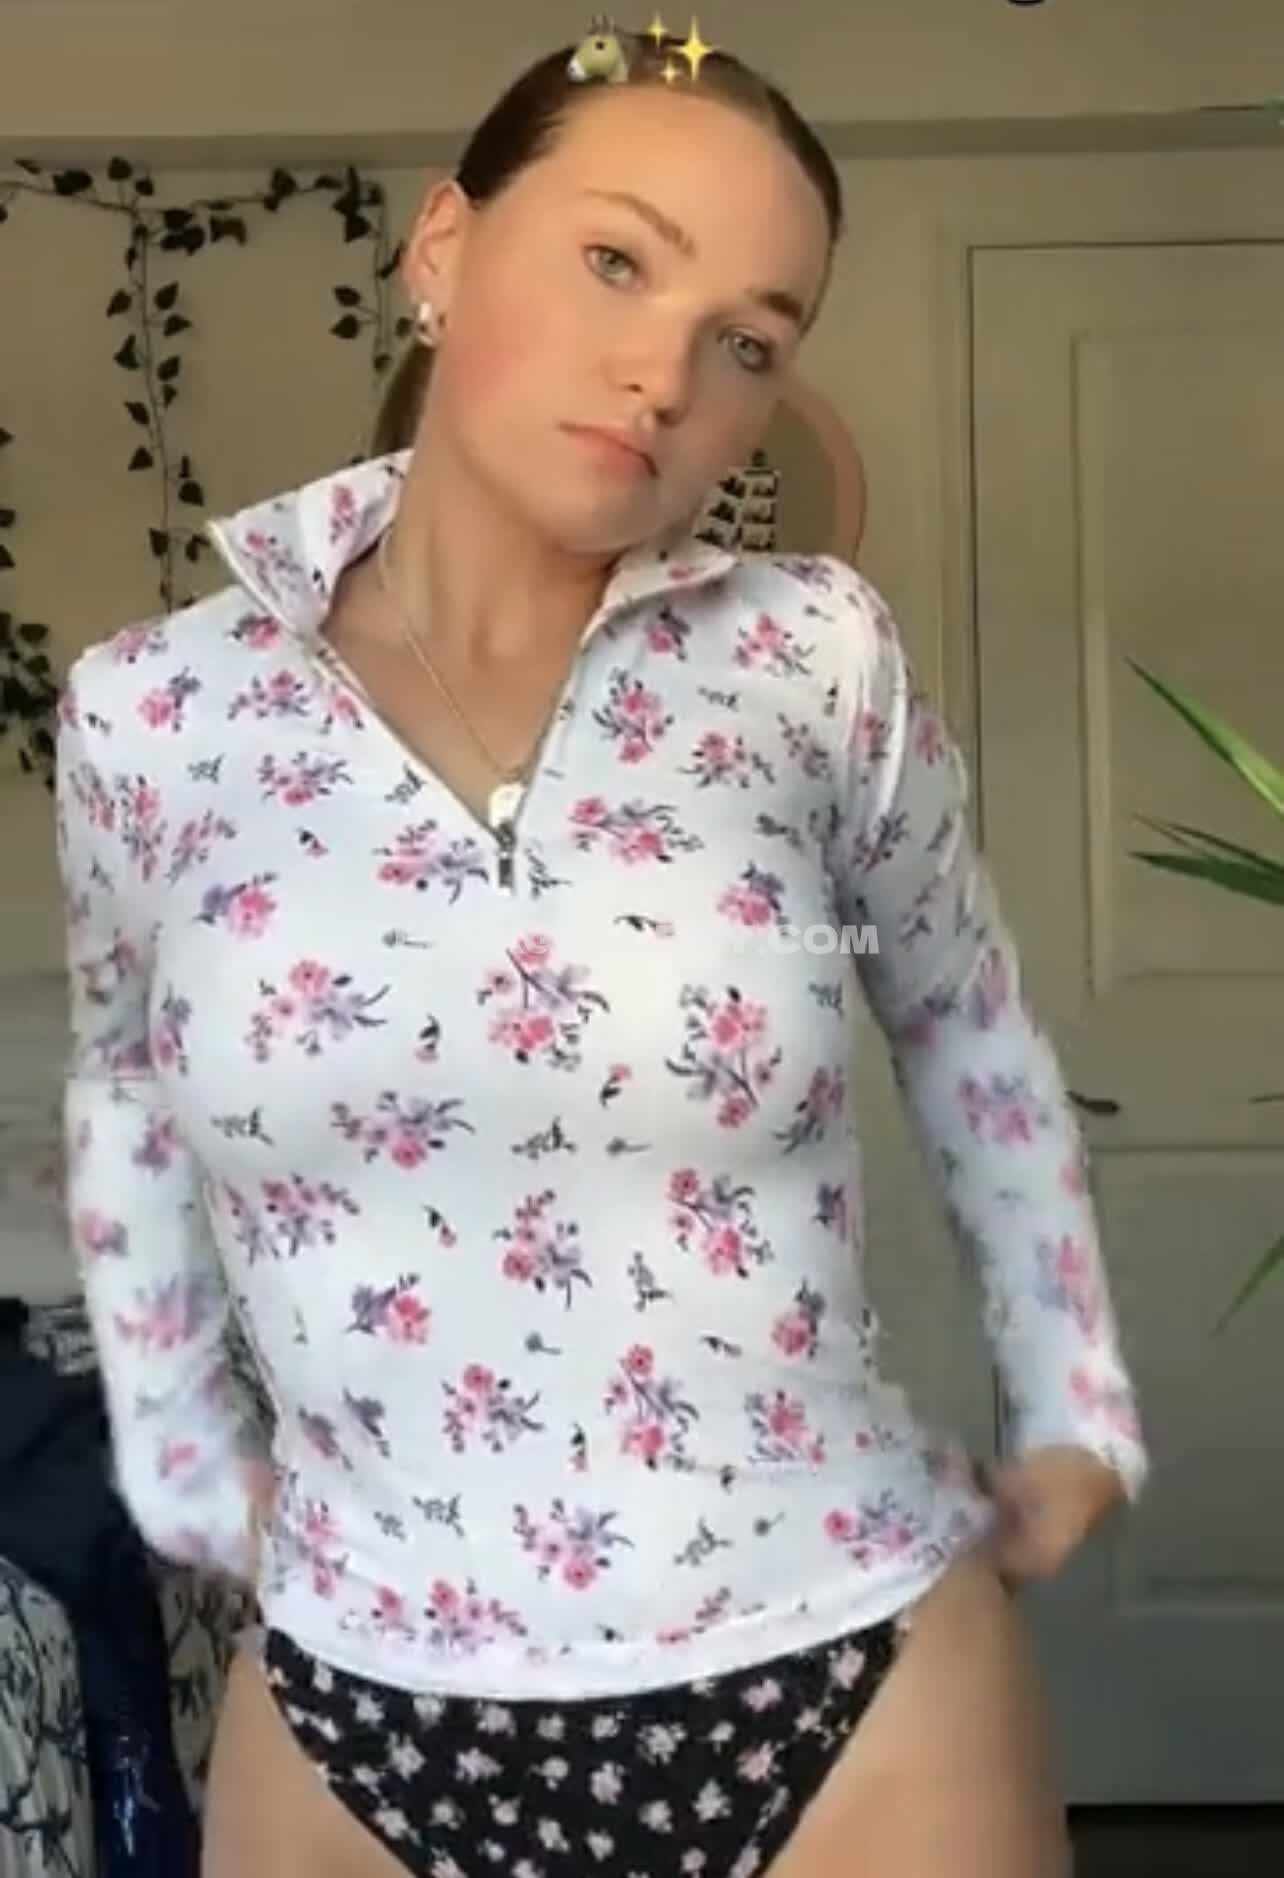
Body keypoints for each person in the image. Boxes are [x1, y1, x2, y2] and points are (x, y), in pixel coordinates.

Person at [53, 17, 1148, 1878]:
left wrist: (1076, 1403)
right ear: (444, 245)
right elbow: (131, 1089)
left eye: (750, 341)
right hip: (356, 1693)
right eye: (619, 261)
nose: (668, 374)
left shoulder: (810, 657)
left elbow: (967, 1027)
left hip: (847, 1672)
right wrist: (170, 1435)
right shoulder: (155, 712)